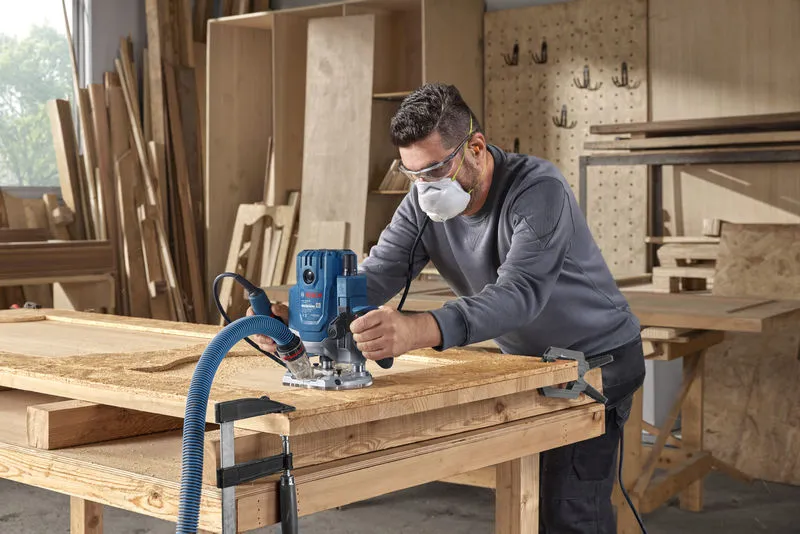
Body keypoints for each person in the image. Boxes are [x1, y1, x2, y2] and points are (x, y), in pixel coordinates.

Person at [250, 83, 645, 533]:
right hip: (533, 366)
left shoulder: (538, 190)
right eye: (413, 173)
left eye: (436, 169)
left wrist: (417, 330)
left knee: (567, 511)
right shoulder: (422, 203)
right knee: (529, 499)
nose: (425, 186)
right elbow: (378, 275)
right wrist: (303, 317)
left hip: (598, 360)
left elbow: (519, 294)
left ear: (475, 147)